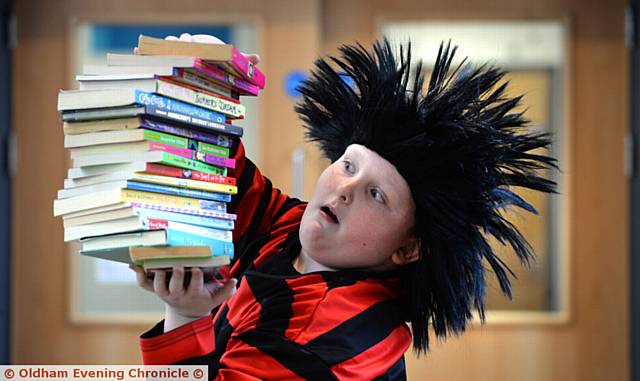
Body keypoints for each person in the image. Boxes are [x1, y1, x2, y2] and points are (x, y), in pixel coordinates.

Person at [130, 33, 557, 380]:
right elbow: (223, 185)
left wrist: (184, 317)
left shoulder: (337, 337)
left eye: (377, 194)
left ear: (407, 248)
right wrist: (194, 85)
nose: (345, 189)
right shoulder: (295, 233)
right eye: (348, 165)